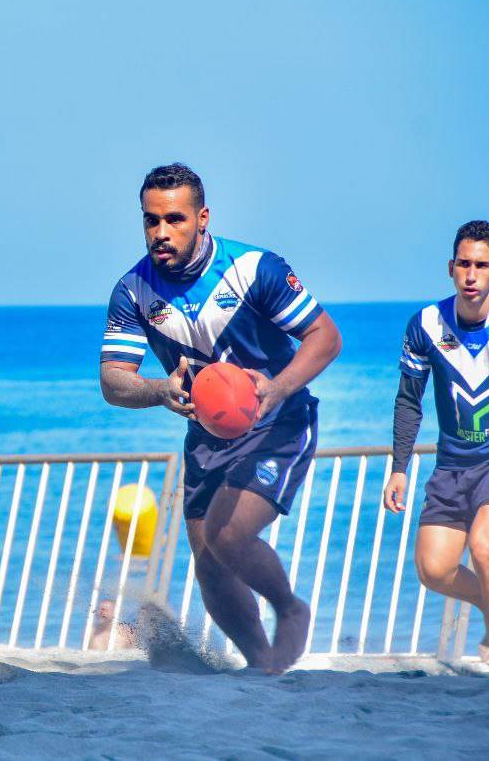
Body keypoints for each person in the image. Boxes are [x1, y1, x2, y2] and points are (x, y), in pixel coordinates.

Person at [99, 163, 342, 673]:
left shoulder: (255, 269)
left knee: (227, 535)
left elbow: (325, 338)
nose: (161, 232)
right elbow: (113, 381)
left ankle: (289, 608)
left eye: (175, 219)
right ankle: (262, 666)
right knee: (208, 563)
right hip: (207, 439)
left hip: (278, 422)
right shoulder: (133, 291)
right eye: (150, 220)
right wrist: (159, 389)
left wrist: (277, 387)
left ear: (202, 218)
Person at [384, 220, 489, 673]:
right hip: (452, 465)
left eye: (481, 265)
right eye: (464, 264)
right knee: (433, 569)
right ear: (450, 268)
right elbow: (408, 400)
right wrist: (399, 468)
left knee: (484, 548)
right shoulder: (426, 325)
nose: (471, 274)